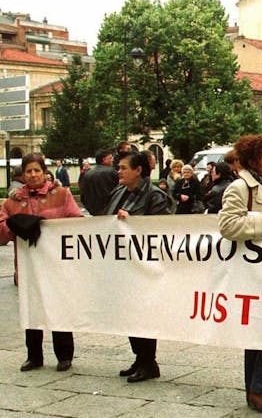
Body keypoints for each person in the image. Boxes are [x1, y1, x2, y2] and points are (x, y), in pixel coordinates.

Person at [218, 135, 262, 414]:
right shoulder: (239, 187)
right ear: (253, 161)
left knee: (261, 331)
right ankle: (258, 388)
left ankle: (257, 388)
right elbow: (227, 225)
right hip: (253, 271)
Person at [1, 153, 83, 372]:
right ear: (23, 175)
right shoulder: (13, 201)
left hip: (56, 264)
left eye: (37, 170)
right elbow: (1, 234)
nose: (33, 175)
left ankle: (64, 355)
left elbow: (77, 222)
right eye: (28, 171)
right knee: (31, 308)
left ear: (44, 172)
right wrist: (15, 225)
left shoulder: (62, 194)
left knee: (59, 308)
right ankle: (33, 355)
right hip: (28, 266)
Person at [103, 151, 171, 383]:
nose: (118, 171)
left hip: (144, 266)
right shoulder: (119, 192)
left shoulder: (156, 196)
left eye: (123, 167)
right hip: (121, 263)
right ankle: (139, 358)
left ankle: (149, 361)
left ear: (138, 170)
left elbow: (161, 231)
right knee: (128, 313)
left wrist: (132, 222)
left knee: (142, 313)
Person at [80, 149, 119, 216]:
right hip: (111, 211)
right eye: (110, 158)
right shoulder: (112, 172)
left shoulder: (87, 174)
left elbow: (83, 195)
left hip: (94, 212)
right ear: (104, 159)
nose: (113, 160)